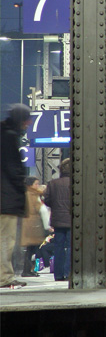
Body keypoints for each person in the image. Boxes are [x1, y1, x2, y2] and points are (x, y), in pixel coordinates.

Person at [1, 103, 31, 288]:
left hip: (4, 197)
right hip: (6, 199)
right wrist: (21, 181)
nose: (28, 123)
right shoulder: (9, 138)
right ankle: (5, 277)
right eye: (27, 120)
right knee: (6, 239)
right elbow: (12, 168)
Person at [43, 158, 72, 282]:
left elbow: (47, 200)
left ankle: (58, 274)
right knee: (72, 246)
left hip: (58, 220)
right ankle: (68, 272)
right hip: (72, 220)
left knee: (58, 246)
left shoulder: (53, 183)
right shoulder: (76, 182)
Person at [20, 176, 47, 277]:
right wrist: (47, 225)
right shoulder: (31, 194)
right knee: (31, 249)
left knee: (31, 249)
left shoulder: (28, 194)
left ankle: (28, 270)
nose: (38, 186)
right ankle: (27, 270)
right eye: (36, 184)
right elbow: (41, 209)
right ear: (30, 185)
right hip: (31, 225)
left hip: (29, 224)